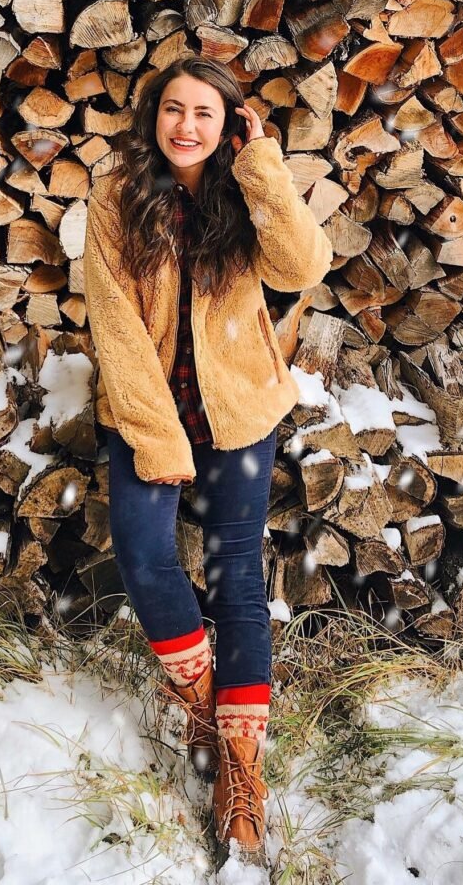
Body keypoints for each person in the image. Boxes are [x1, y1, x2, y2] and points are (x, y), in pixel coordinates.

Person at [82, 55, 332, 866]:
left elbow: (301, 266)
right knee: (147, 557)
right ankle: (203, 709)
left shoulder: (243, 188)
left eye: (205, 114)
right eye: (173, 109)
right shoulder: (116, 194)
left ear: (229, 126)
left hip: (239, 409)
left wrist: (261, 165)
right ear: (153, 115)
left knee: (236, 579)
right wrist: (156, 440)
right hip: (149, 407)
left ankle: (240, 768)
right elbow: (115, 324)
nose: (186, 125)